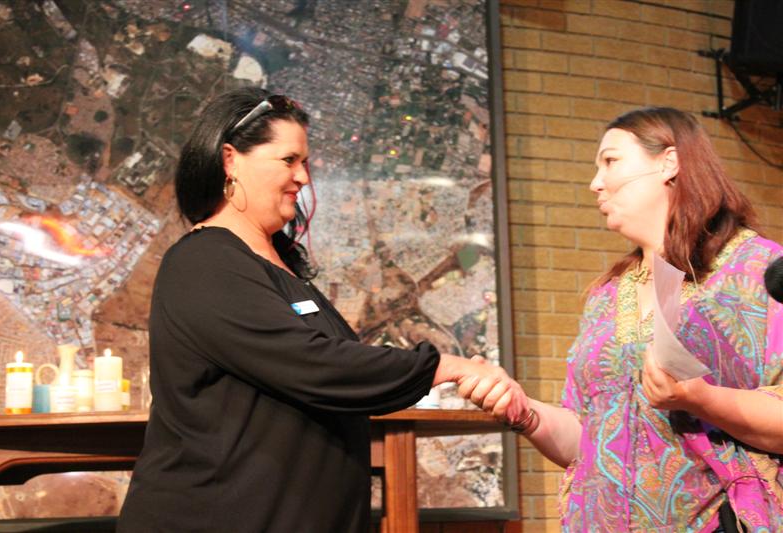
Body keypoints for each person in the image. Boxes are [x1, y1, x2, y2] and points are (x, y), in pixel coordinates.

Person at [116, 88, 526, 533]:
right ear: (230, 160)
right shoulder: (203, 263)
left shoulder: (282, 269)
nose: (303, 177)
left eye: (305, 162)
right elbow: (315, 363)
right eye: (289, 160)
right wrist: (446, 367)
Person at [462, 107, 783, 532]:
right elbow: (589, 440)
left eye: (610, 161)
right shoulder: (608, 295)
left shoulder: (755, 270)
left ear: (669, 162)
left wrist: (701, 400)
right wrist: (524, 411)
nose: (596, 183)